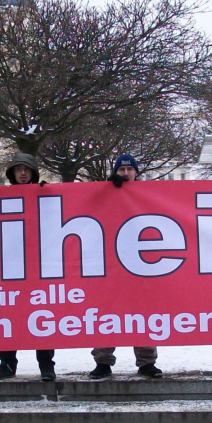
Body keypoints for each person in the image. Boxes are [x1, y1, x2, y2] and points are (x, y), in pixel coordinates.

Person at [88, 153, 164, 379]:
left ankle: (147, 362)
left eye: (130, 169)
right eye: (121, 169)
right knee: (107, 313)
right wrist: (109, 189)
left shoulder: (147, 194)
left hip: (141, 265)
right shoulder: (107, 193)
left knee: (142, 313)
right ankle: (102, 362)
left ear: (137, 172)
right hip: (110, 265)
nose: (126, 173)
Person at [0, 153, 56, 381]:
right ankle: (7, 363)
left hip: (38, 269)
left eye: (27, 169)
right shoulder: (1, 196)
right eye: (18, 169)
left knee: (42, 318)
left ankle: (46, 364)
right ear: (12, 173)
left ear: (33, 172)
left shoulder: (43, 194)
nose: (23, 173)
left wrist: (49, 194)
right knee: (8, 318)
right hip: (10, 270)